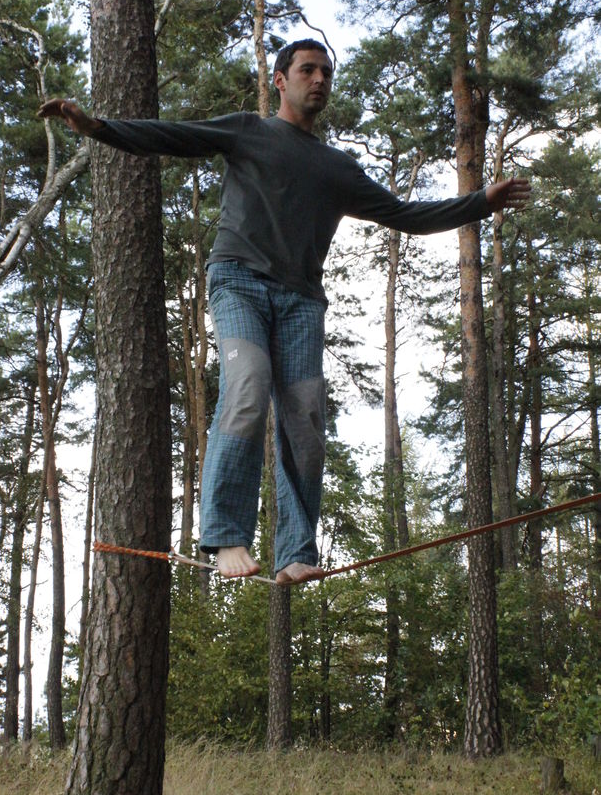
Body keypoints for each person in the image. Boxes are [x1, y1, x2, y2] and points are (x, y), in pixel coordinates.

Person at [38, 38, 530, 585]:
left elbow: (406, 214)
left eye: (326, 72)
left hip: (301, 302)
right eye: (307, 70)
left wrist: (479, 202)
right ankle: (226, 535)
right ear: (280, 79)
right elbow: (174, 135)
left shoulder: (338, 168)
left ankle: (297, 548)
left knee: (306, 419)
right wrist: (99, 126)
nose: (318, 79)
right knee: (247, 385)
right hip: (239, 283)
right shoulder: (250, 131)